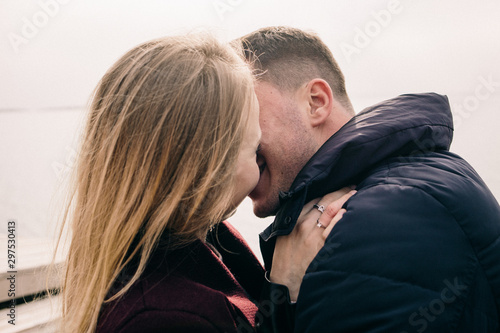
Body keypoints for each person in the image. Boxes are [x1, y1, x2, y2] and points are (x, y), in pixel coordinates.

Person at [56, 34, 353, 333]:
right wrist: (286, 288)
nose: (259, 167)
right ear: (206, 165)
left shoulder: (207, 241)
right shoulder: (161, 319)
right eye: (255, 151)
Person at [235, 26, 500, 332]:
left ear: (316, 102)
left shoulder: (373, 222)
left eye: (242, 115)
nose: (231, 146)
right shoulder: (404, 186)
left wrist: (282, 291)